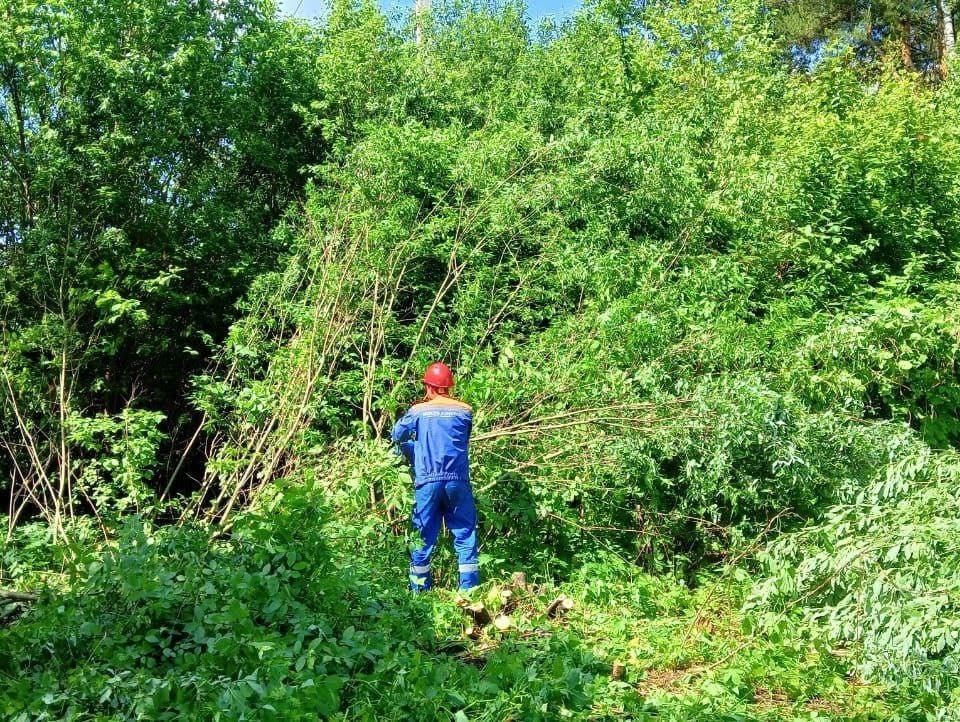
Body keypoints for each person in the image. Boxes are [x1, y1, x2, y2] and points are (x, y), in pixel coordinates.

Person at [392, 362, 480, 591]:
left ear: (429, 387)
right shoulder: (465, 410)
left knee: (422, 536)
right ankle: (469, 592)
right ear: (448, 387)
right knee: (465, 533)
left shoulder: (418, 410)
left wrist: (411, 451)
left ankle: (419, 592)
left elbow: (396, 435)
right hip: (457, 481)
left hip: (427, 481)